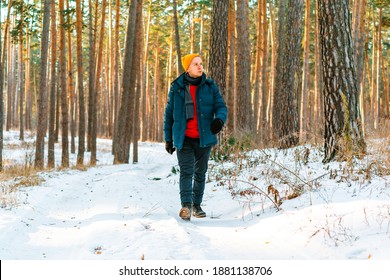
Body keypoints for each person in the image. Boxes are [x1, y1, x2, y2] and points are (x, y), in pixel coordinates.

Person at [163, 53, 228, 221]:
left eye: (201, 63)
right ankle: (186, 206)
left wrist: (219, 119)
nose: (200, 67)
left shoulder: (209, 86)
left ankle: (196, 205)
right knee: (186, 172)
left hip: (204, 138)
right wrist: (168, 139)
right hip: (184, 138)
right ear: (187, 68)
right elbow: (169, 115)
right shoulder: (177, 88)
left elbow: (221, 106)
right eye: (195, 64)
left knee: (200, 173)